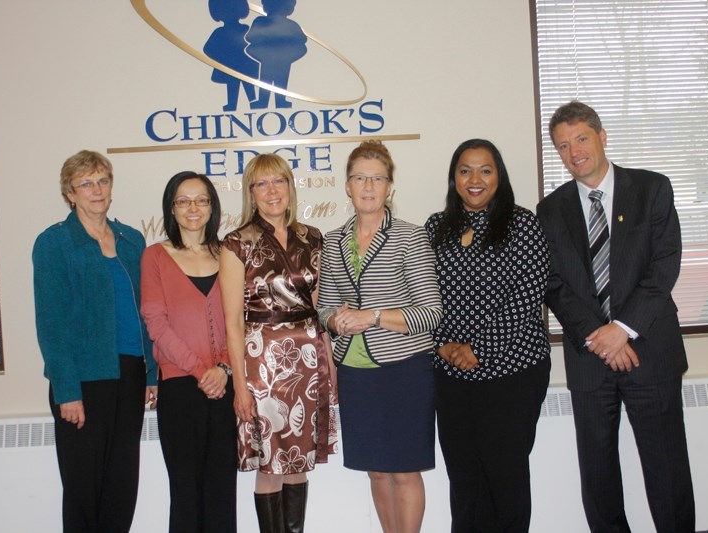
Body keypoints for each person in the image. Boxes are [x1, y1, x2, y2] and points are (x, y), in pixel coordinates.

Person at [536, 101, 695, 532]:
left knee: (667, 473)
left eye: (581, 139)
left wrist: (621, 330)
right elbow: (552, 283)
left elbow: (664, 266)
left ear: (603, 137)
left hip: (651, 352)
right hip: (590, 360)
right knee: (599, 478)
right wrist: (598, 336)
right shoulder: (549, 211)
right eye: (563, 146)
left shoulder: (652, 189)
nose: (574, 152)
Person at [424, 139, 551, 532]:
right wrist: (444, 345)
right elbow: (422, 294)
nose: (474, 179)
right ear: (454, 178)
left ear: (499, 176)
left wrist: (479, 348)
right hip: (451, 374)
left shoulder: (522, 223)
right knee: (464, 479)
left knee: (505, 475)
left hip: (512, 371)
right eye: (465, 170)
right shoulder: (434, 227)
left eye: (485, 170)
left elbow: (527, 296)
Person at [317, 140, 443, 533]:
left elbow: (431, 313)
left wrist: (371, 316)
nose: (368, 186)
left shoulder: (411, 236)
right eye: (359, 178)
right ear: (347, 186)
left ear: (390, 187)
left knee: (405, 472)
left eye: (377, 178)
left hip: (404, 370)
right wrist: (335, 322)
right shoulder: (333, 241)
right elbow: (325, 308)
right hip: (356, 372)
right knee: (375, 471)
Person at [32, 150, 158, 533]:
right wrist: (67, 390)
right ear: (70, 194)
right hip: (83, 381)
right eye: (85, 183)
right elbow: (51, 323)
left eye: (102, 180)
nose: (96, 189)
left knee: (122, 484)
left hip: (130, 374)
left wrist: (152, 373)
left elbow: (147, 311)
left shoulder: (132, 239)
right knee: (85, 488)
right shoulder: (55, 243)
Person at [220, 153, 337, 533]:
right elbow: (233, 323)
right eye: (262, 184)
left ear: (290, 186)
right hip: (262, 366)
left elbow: (317, 310)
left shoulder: (312, 237)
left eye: (279, 181)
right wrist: (239, 384)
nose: (272, 191)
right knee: (270, 466)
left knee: (298, 464)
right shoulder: (237, 243)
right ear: (251, 194)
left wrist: (330, 365)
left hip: (307, 360)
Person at [140, 171, 237, 532]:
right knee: (185, 492)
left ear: (213, 207)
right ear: (172, 208)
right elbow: (155, 321)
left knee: (221, 491)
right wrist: (201, 371)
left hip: (225, 387)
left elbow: (238, 319)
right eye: (183, 200)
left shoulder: (228, 253)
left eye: (201, 200)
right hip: (181, 388)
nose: (193, 208)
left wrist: (223, 368)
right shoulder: (155, 257)